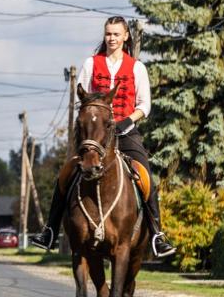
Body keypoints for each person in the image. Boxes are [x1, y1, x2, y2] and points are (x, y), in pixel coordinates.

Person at [29, 16, 176, 258]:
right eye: (108, 34)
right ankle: (50, 230)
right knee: (66, 174)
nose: (112, 38)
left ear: (126, 36)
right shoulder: (91, 63)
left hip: (126, 133)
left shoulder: (137, 67)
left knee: (146, 177)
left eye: (116, 34)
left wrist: (126, 121)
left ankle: (157, 234)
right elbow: (82, 98)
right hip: (96, 137)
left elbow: (145, 105)